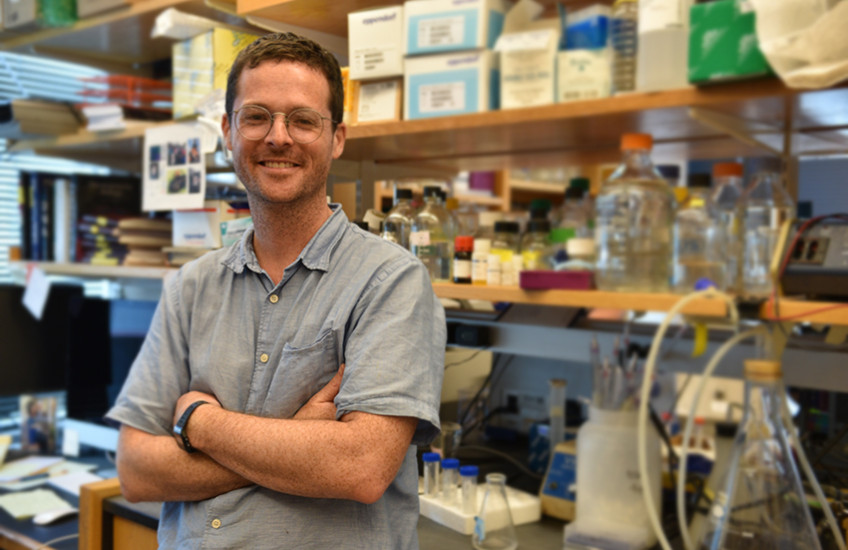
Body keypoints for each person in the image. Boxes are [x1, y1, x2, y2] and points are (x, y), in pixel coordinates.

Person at [106, 32, 446, 549]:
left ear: (336, 138)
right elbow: (136, 470)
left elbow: (359, 467)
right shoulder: (191, 287)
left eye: (304, 120)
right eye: (257, 116)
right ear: (228, 131)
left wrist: (199, 422)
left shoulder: (390, 281)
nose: (278, 137)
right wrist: (298, 438)